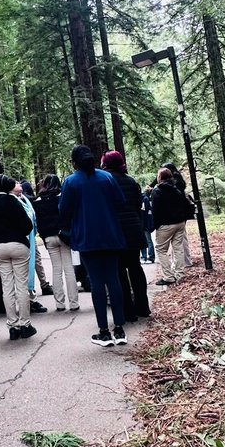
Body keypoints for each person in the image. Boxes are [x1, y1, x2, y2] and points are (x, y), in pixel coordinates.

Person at [59, 145, 127, 348]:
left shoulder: (71, 182)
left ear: (74, 162)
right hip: (111, 235)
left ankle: (104, 332)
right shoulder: (106, 178)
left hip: (87, 238)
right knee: (113, 280)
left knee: (97, 282)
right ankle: (120, 329)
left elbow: (63, 211)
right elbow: (120, 202)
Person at [100, 151, 150, 323]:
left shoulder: (105, 181)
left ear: (106, 163)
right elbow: (138, 205)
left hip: (116, 232)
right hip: (134, 230)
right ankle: (143, 307)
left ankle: (128, 312)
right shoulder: (130, 181)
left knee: (119, 272)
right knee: (135, 268)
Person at [0, 174, 36, 341]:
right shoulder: (13, 201)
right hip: (18, 245)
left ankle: (12, 325)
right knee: (21, 285)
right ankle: (25, 324)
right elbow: (28, 225)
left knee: (7, 286)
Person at [34, 174, 79, 312]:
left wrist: (44, 236)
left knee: (56, 270)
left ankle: (59, 303)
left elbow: (39, 222)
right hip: (64, 236)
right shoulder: (62, 196)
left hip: (49, 237)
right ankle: (73, 303)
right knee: (69, 269)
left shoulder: (38, 200)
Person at [151, 166, 192, 285]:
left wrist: (156, 225)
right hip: (179, 223)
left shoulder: (157, 191)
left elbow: (155, 210)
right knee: (178, 248)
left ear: (160, 178)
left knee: (161, 250)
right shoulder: (176, 190)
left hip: (165, 225)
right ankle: (180, 274)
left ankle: (168, 276)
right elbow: (184, 205)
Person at [17, 179, 53, 305]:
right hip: (26, 240)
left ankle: (32, 293)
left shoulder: (24, 200)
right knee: (34, 262)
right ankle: (41, 287)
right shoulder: (24, 200)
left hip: (28, 238)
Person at [166, 162, 194, 268]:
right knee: (181, 238)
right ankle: (184, 260)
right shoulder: (179, 181)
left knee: (178, 239)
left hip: (176, 213)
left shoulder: (174, 183)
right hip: (182, 213)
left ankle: (182, 262)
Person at [141, 182, 156, 263]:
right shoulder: (144, 199)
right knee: (146, 240)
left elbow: (147, 213)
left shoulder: (145, 199)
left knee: (147, 240)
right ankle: (146, 256)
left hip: (144, 223)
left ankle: (148, 257)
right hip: (143, 223)